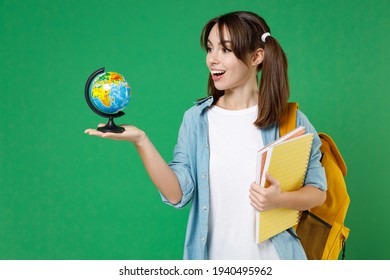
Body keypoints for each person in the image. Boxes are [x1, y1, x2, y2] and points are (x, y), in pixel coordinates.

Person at [85, 11, 327, 260]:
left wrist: (280, 199)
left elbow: (318, 193)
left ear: (257, 56)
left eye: (225, 50)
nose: (212, 59)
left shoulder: (290, 120)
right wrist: (141, 140)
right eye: (210, 49)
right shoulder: (196, 120)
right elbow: (176, 194)